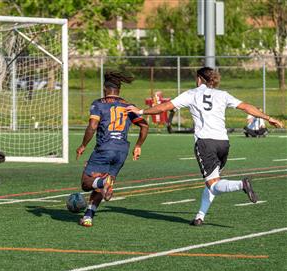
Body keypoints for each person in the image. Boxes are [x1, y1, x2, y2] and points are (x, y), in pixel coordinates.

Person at [126, 67, 283, 226]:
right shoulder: (222, 94)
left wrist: (140, 111)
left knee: (213, 184)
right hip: (223, 143)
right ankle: (200, 216)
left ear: (199, 78)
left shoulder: (192, 94)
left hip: (205, 143)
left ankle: (241, 184)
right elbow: (247, 107)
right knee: (213, 179)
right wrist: (268, 118)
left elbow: (164, 107)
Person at [76, 71, 149, 227]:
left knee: (87, 183)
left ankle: (103, 182)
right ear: (119, 90)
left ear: (104, 88)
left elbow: (92, 126)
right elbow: (144, 125)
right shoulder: (128, 106)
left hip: (104, 148)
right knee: (100, 184)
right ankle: (88, 216)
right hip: (122, 151)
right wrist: (138, 146)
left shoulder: (99, 104)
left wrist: (83, 145)